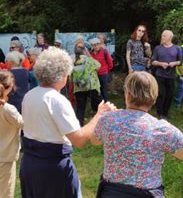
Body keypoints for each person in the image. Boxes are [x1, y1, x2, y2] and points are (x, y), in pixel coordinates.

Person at [91, 71, 183, 197]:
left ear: (127, 94)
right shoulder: (162, 130)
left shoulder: (108, 120)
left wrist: (105, 115)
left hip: (111, 193)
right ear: (154, 98)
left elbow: (95, 140)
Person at [20, 47, 115, 198]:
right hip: (53, 168)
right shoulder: (57, 100)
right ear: (62, 75)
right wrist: (99, 114)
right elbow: (79, 140)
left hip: (30, 164)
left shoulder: (29, 95)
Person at [151, 30, 182, 120]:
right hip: (160, 75)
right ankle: (160, 114)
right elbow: (153, 61)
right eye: (162, 36)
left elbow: (180, 61)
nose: (162, 37)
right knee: (161, 94)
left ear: (170, 37)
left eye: (164, 36)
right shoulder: (158, 48)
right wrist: (161, 64)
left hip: (171, 75)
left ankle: (165, 113)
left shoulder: (177, 48)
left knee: (170, 95)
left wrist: (174, 63)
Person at [72, 40, 102, 126]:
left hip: (79, 87)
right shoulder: (88, 60)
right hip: (91, 86)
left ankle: (79, 126)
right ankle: (99, 124)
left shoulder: (74, 62)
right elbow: (98, 66)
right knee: (98, 106)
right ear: (84, 50)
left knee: (80, 108)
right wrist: (89, 55)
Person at [90, 38, 113, 102]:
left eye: (97, 44)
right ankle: (96, 107)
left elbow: (110, 64)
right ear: (92, 46)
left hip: (103, 75)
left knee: (104, 91)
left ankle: (106, 105)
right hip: (94, 76)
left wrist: (105, 71)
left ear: (100, 44)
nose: (96, 46)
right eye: (94, 45)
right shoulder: (90, 54)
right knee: (95, 92)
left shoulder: (105, 52)